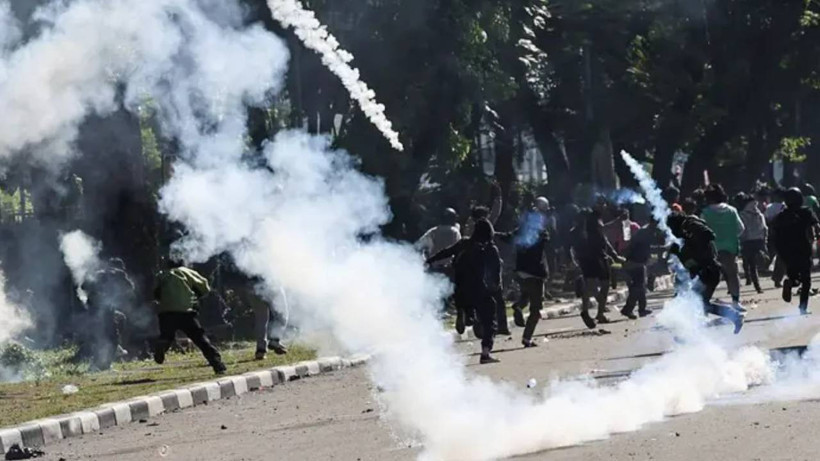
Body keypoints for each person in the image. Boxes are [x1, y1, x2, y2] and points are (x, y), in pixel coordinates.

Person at [427, 219, 502, 364]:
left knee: (467, 304)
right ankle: (485, 353)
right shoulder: (490, 249)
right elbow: (496, 271)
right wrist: (496, 287)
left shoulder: (464, 243)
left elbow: (447, 252)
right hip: (479, 288)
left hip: (460, 288)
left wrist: (430, 260)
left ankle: (465, 313)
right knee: (489, 320)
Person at [667, 213, 745, 333]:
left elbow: (708, 234)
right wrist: (678, 253)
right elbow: (691, 264)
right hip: (706, 271)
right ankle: (732, 317)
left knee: (696, 302)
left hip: (709, 270)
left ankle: (690, 334)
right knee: (697, 303)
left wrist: (691, 241)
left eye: (672, 228)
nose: (672, 232)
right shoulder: (687, 236)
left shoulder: (690, 225)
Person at [153, 260, 227, 375]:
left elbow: (155, 294)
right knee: (200, 338)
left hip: (166, 313)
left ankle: (162, 345)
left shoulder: (162, 274)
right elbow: (204, 287)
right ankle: (217, 364)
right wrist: (196, 297)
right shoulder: (187, 272)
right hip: (185, 312)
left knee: (167, 336)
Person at [497, 201, 553, 348]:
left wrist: (493, 233)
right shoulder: (542, 232)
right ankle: (527, 338)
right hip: (536, 274)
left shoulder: (521, 230)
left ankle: (518, 307)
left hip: (521, 272)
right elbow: (546, 240)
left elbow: (508, 237)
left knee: (526, 294)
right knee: (536, 309)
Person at [75, 257, 136, 370]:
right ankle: (99, 365)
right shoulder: (119, 274)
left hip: (95, 310)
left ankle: (101, 365)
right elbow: (130, 288)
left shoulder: (98, 273)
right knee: (111, 337)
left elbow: (83, 286)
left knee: (103, 336)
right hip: (104, 311)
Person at [571, 209, 624, 329]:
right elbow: (602, 235)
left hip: (592, 258)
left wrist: (613, 255)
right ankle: (596, 311)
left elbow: (603, 238)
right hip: (596, 258)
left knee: (595, 285)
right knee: (598, 285)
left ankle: (593, 312)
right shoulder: (590, 226)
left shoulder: (580, 229)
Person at [772, 188, 819, 314]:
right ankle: (802, 307)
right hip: (803, 248)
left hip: (786, 251)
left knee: (793, 273)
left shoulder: (781, 216)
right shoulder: (806, 212)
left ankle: (791, 281)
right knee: (806, 280)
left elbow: (774, 234)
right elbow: (816, 226)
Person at [700, 184, 745, 305]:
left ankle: (704, 302)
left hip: (712, 250)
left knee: (710, 278)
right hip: (730, 249)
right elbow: (741, 229)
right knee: (732, 275)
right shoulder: (732, 210)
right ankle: (736, 301)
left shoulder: (705, 213)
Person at [620, 219, 660, 319]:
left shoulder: (645, 231)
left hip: (638, 262)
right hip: (634, 262)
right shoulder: (646, 233)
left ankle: (641, 309)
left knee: (640, 287)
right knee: (637, 288)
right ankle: (628, 309)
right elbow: (641, 248)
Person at [737, 192, 768, 294]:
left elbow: (741, 229)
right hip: (758, 241)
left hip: (747, 241)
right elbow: (764, 228)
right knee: (753, 264)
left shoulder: (742, 214)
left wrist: (741, 240)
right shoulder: (759, 214)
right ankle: (757, 286)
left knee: (749, 263)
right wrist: (764, 241)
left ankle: (751, 280)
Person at [765, 188, 787, 287]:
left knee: (773, 253)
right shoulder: (785, 206)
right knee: (782, 257)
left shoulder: (770, 207)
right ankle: (777, 277)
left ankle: (769, 270)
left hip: (772, 233)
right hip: (783, 234)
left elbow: (766, 219)